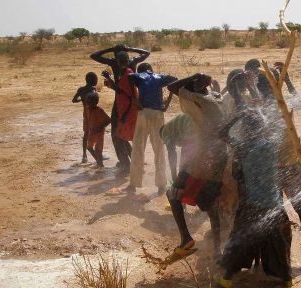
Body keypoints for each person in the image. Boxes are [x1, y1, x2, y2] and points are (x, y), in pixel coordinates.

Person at [244, 59, 301, 266]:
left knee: (275, 211)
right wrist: (287, 81)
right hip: (291, 166)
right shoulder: (283, 104)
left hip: (270, 169)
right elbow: (300, 100)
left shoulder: (257, 106)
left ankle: (272, 260)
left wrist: (254, 87)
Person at [215, 109, 292, 288]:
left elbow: (221, 133)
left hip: (253, 205)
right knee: (280, 243)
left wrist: (238, 115)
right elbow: (279, 128)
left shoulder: (242, 147)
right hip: (275, 205)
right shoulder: (273, 144)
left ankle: (226, 279)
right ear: (262, 127)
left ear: (246, 129)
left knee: (238, 240)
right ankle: (287, 279)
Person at [166, 73, 227, 259]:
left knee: (173, 193)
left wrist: (194, 76)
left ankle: (186, 238)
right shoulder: (215, 97)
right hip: (220, 155)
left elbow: (172, 87)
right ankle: (217, 249)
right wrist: (203, 80)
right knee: (212, 204)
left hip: (203, 158)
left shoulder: (198, 100)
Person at [90, 44, 150, 172]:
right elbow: (146, 53)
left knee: (117, 133)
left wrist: (110, 49)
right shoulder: (131, 62)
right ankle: (131, 160)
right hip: (127, 101)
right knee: (122, 133)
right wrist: (130, 48)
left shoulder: (116, 63)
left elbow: (94, 56)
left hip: (124, 102)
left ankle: (126, 163)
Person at [124, 63, 177, 196]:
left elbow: (130, 77)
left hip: (143, 113)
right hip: (158, 113)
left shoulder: (140, 75)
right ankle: (161, 185)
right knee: (159, 149)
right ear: (151, 70)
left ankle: (134, 184)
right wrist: (167, 102)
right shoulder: (159, 77)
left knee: (138, 148)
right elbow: (175, 79)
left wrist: (135, 99)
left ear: (141, 70)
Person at [72, 72, 98, 163]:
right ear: (93, 80)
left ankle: (84, 155)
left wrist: (82, 99)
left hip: (85, 113)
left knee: (86, 134)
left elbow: (74, 100)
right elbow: (95, 98)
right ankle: (98, 154)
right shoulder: (93, 89)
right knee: (97, 133)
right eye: (96, 79)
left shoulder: (81, 89)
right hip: (93, 113)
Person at [84, 92, 111, 168]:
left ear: (96, 102)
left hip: (99, 132)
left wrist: (99, 128)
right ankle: (99, 162)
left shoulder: (99, 110)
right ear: (87, 102)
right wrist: (86, 130)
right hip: (91, 132)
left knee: (98, 149)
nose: (90, 104)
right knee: (89, 147)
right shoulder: (86, 109)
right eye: (88, 102)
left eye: (92, 102)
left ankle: (100, 165)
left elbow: (108, 120)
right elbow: (86, 120)